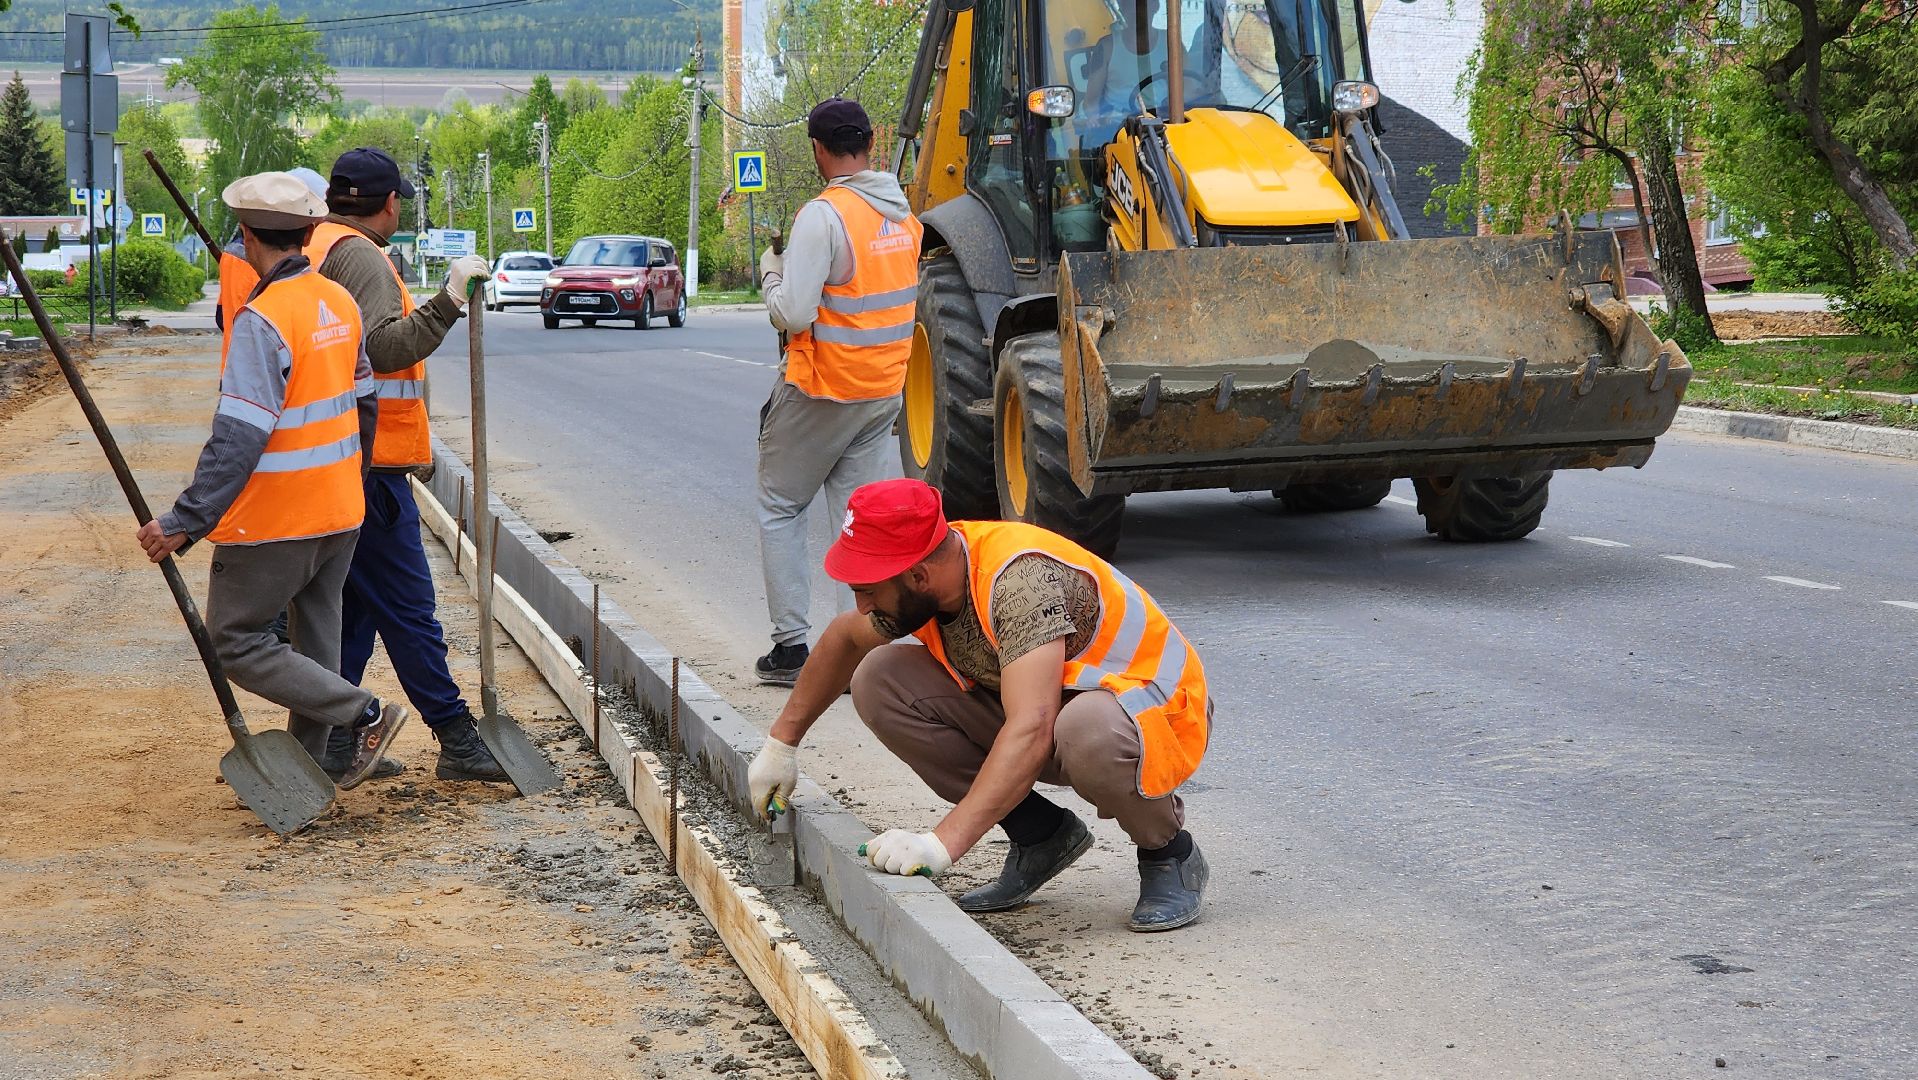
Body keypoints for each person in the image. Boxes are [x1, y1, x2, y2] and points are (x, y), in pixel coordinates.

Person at [746, 479, 1214, 931]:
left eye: (868, 590)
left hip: (1150, 715)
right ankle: (1041, 836)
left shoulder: (1017, 582)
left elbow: (1032, 727)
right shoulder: (930, 582)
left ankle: (1169, 853)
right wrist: (781, 745)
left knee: (1084, 730)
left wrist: (941, 846)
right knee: (878, 680)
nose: (863, 605)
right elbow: (847, 641)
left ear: (918, 575)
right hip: (1052, 711)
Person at [136, 171, 405, 788]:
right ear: (310, 233)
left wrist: (186, 520)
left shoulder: (262, 320)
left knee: (233, 639)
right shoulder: (337, 302)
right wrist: (351, 482)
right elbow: (366, 405)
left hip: (278, 518)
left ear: (245, 235)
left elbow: (239, 437)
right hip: (340, 510)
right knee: (315, 645)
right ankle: (309, 774)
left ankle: (360, 714)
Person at [308, 146, 503, 783]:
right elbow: (380, 349)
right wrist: (447, 300)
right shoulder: (361, 254)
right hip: (372, 466)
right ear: (389, 203)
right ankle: (457, 738)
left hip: (335, 454)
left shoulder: (315, 244)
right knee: (410, 608)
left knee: (360, 612)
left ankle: (335, 745)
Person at [753, 98, 924, 688]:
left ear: (819, 150)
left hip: (823, 388)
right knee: (860, 520)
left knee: (780, 506)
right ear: (872, 142)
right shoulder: (904, 217)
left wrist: (770, 275)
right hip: (882, 391)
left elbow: (793, 312)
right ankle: (860, 646)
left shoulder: (823, 217)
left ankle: (792, 649)